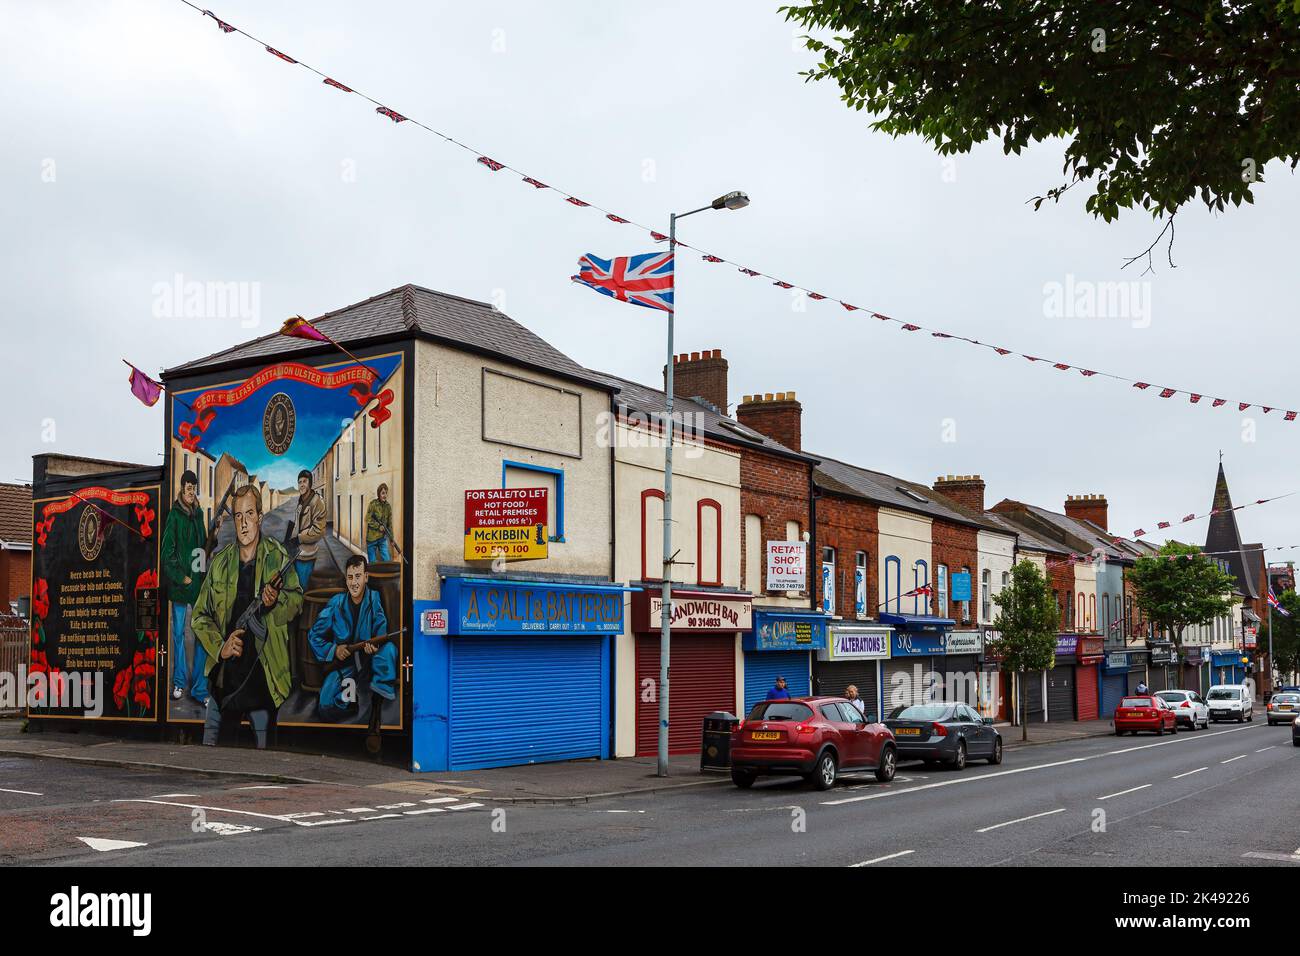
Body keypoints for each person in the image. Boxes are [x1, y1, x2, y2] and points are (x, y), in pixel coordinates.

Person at [191, 484, 302, 749]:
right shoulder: (220, 563)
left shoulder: (277, 556)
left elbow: (296, 601)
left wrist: (276, 601)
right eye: (238, 516)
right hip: (225, 684)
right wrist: (221, 647)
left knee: (266, 763)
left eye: (249, 514)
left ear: (260, 518)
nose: (243, 524)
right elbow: (199, 615)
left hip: (265, 681)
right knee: (218, 762)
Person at [307, 554, 397, 727]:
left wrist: (375, 645)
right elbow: (314, 635)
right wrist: (334, 650)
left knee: (389, 650)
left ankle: (376, 713)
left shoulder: (374, 599)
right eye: (350, 577)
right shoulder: (336, 604)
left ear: (366, 577)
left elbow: (380, 627)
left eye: (358, 576)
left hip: (370, 661)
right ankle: (351, 701)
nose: (354, 582)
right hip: (346, 666)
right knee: (325, 706)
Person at [160, 470, 209, 705]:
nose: (191, 491)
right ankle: (179, 682)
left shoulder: (198, 514)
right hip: (181, 587)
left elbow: (202, 547)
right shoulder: (174, 516)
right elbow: (166, 554)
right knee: (178, 635)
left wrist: (199, 575)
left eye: (193, 486)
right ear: (181, 488)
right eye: (187, 486)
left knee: (200, 633)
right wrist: (182, 577)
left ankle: (200, 689)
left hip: (197, 585)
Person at [293, 469, 327, 591]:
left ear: (310, 483)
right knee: (294, 588)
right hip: (296, 553)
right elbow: (297, 525)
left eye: (304, 481)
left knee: (302, 589)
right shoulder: (300, 502)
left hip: (307, 555)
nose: (301, 484)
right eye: (299, 482)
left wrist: (300, 538)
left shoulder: (317, 501)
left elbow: (319, 530)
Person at [365, 483, 393, 563]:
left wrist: (391, 539)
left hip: (382, 538)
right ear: (379, 494)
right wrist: (378, 526)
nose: (385, 495)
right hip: (372, 539)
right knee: (372, 564)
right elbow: (368, 519)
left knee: (387, 561)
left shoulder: (388, 507)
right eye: (383, 493)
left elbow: (389, 524)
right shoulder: (373, 504)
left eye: (386, 493)